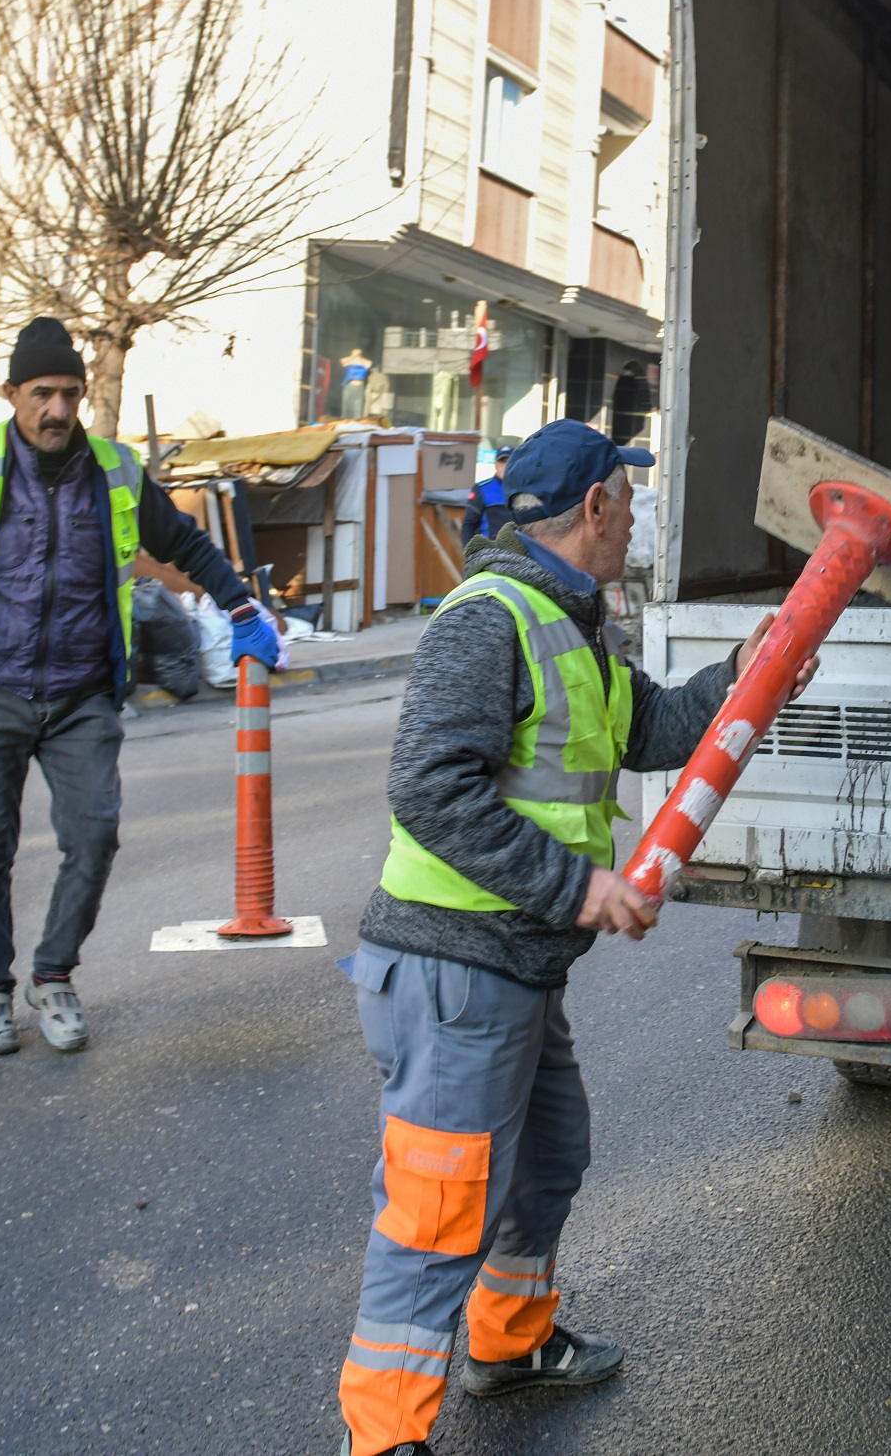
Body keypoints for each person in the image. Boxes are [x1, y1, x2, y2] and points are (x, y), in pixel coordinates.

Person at [334, 419, 817, 1456]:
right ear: (592, 506)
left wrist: (749, 665)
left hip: (510, 966)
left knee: (549, 1159)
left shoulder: (572, 622)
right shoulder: (490, 618)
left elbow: (652, 726)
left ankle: (506, 1346)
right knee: (437, 1210)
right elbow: (428, 789)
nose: (635, 514)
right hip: (453, 968)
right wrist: (578, 886)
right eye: (627, 497)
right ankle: (381, 1439)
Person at [0, 317, 285, 1056]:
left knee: (94, 837)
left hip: (82, 693)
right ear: (11, 395)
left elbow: (180, 542)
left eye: (69, 394)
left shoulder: (115, 469)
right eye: (41, 394)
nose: (57, 410)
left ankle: (53, 974)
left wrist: (240, 603)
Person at [459, 448, 512, 543]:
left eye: (509, 461)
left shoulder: (523, 489)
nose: (505, 466)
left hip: (518, 552)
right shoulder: (482, 489)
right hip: (490, 551)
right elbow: (469, 525)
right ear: (495, 464)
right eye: (502, 462)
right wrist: (469, 554)